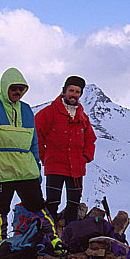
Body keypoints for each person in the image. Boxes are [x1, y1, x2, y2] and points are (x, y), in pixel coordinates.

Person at [0, 68, 64, 254]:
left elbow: (33, 142)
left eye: (21, 89)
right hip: (1, 170)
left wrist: (36, 166)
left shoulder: (26, 110)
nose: (17, 92)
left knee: (39, 207)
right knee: (0, 211)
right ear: (5, 87)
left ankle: (53, 239)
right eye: (14, 88)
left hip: (26, 170)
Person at [35, 76, 96, 225]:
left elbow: (90, 139)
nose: (73, 94)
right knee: (52, 203)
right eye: (71, 90)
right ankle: (50, 237)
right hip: (55, 166)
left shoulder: (83, 117)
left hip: (76, 168)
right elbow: (36, 136)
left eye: (77, 92)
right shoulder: (49, 112)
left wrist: (85, 157)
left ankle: (69, 238)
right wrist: (44, 157)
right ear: (64, 91)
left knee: (73, 205)